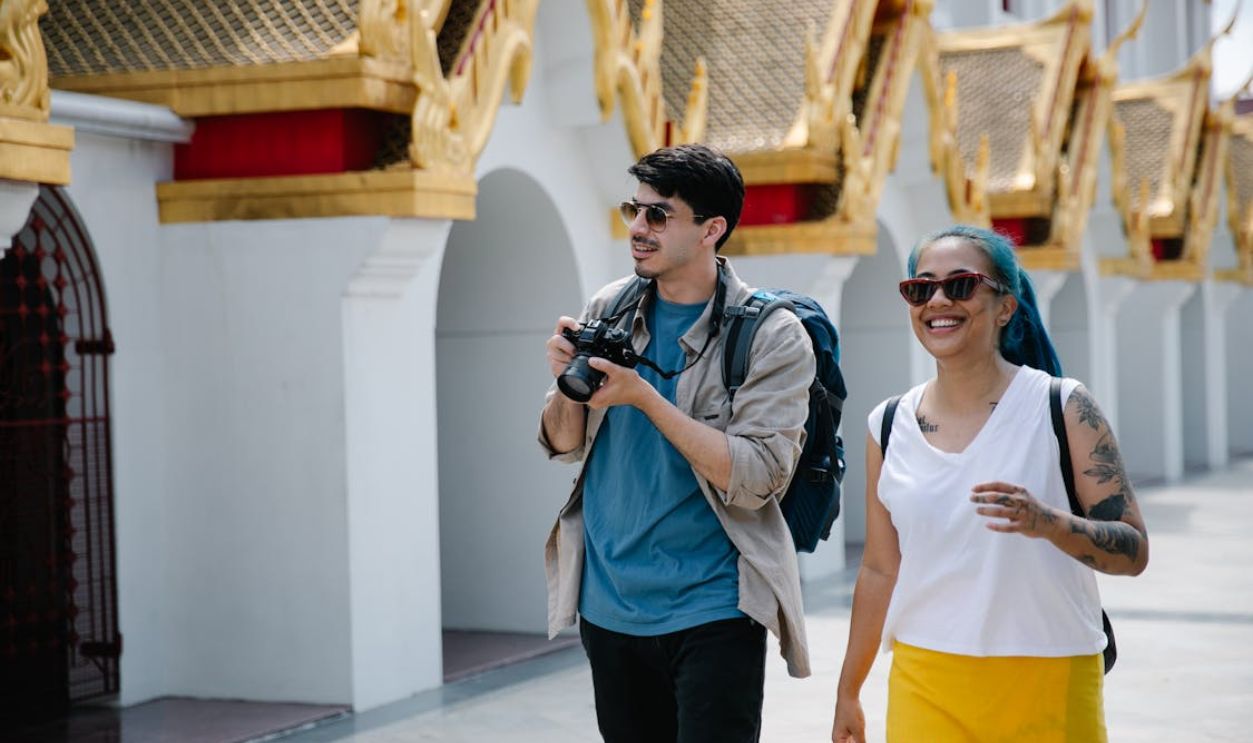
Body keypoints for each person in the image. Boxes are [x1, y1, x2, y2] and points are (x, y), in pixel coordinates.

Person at [538, 144, 815, 743]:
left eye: (658, 215)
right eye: (633, 211)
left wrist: (643, 397)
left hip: (714, 606)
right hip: (608, 601)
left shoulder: (771, 335)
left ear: (712, 229)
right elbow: (561, 443)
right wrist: (567, 382)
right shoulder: (609, 307)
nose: (638, 229)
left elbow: (758, 474)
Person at [830, 225, 1150, 742]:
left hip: (1049, 671)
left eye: (960, 285)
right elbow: (879, 569)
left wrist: (1048, 523)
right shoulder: (887, 425)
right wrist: (849, 691)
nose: (937, 300)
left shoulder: (1063, 406)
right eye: (920, 288)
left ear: (1005, 306)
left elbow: (1133, 551)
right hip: (925, 678)